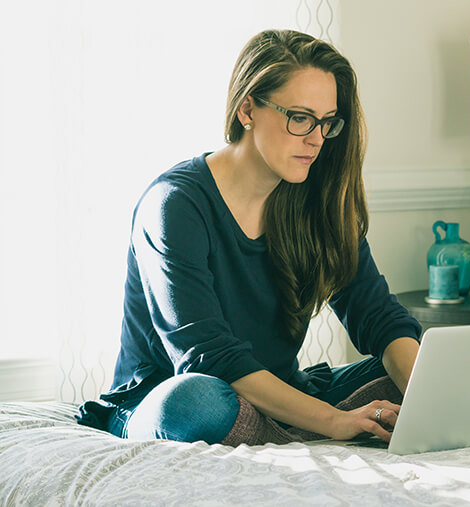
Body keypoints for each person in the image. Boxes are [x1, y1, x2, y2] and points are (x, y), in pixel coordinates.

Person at [76, 29, 421, 446]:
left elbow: (377, 314)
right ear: (247, 109)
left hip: (277, 391)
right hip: (176, 394)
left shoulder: (316, 200)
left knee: (421, 368)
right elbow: (209, 357)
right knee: (195, 401)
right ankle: (297, 426)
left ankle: (283, 425)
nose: (316, 138)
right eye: (300, 117)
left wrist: (429, 391)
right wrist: (332, 421)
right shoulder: (174, 204)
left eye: (327, 122)